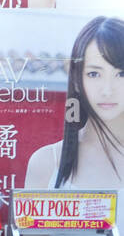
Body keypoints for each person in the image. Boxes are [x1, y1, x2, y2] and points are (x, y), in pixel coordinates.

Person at [25, 16, 124, 189]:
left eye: (121, 74)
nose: (107, 90)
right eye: (94, 74)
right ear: (77, 80)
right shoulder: (46, 162)